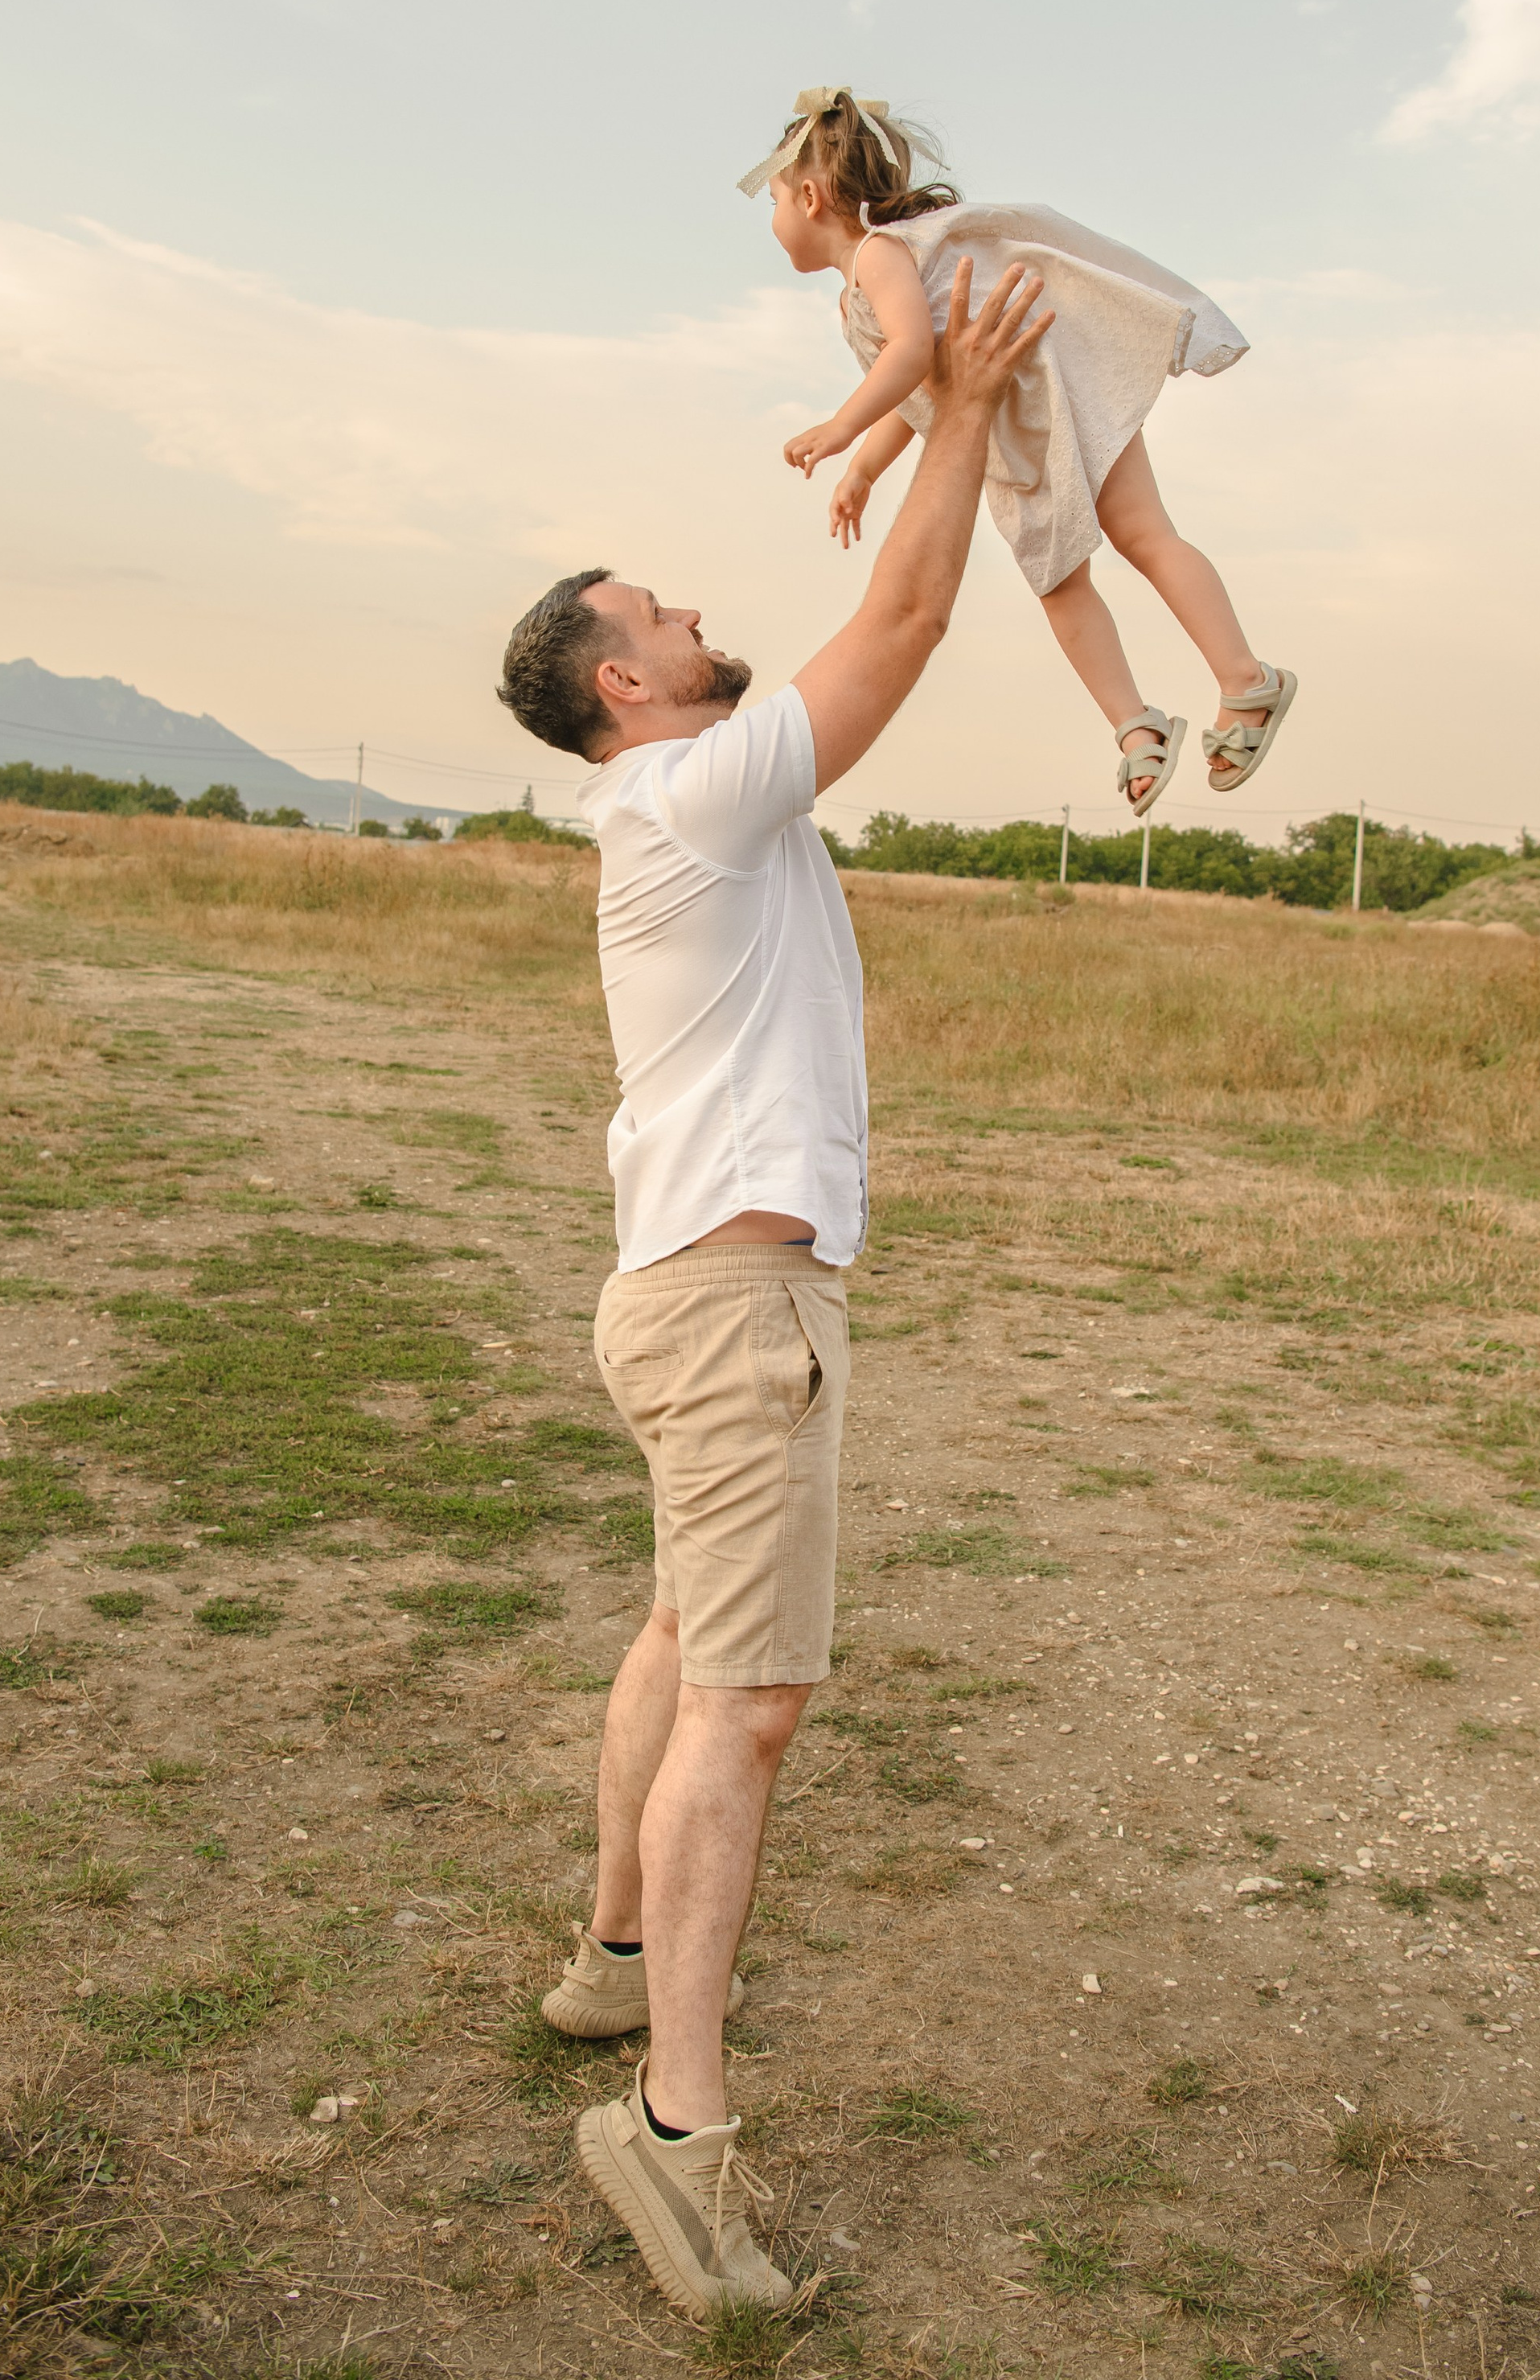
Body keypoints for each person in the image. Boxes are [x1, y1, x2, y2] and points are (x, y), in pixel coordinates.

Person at [491, 254, 1053, 2322]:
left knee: (674, 1628)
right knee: (750, 1699)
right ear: (616, 683)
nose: (699, 618)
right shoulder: (684, 788)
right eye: (664, 618)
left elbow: (869, 619)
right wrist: (969, 408)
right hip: (736, 1318)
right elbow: (897, 625)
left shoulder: (680, 801)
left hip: (682, 1297)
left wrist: (901, 415)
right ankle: (671, 2128)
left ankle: (610, 1956)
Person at [741, 84, 1296, 816]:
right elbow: (922, 397)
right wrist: (866, 469)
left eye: (776, 200)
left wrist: (842, 427)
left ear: (811, 198)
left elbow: (909, 356)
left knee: (1127, 546)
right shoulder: (857, 291)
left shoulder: (879, 255)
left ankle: (1241, 684)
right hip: (1018, 425)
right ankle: (1142, 725)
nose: (775, 218)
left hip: (1041, 404)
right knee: (1070, 578)